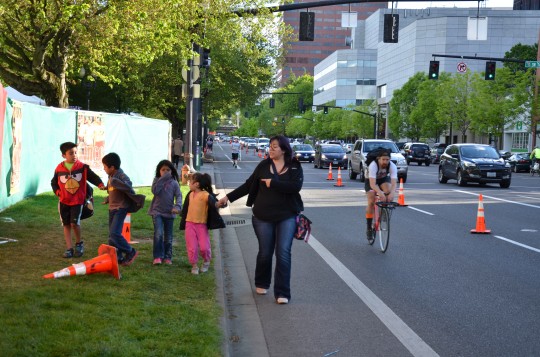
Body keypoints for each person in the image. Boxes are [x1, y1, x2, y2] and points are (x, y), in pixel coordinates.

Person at [216, 135, 304, 304]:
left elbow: (295, 187)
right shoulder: (263, 165)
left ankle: (282, 293)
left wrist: (274, 183)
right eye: (270, 146)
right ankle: (262, 282)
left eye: (274, 147)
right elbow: (249, 186)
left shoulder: (294, 166)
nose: (270, 149)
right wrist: (227, 198)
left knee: (283, 253)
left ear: (284, 149)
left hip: (287, 216)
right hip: (263, 216)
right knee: (265, 252)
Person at [51, 142, 105, 258]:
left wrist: (100, 184)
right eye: (71, 153)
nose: (74, 155)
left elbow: (92, 176)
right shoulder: (59, 168)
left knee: (74, 224)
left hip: (77, 201)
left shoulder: (82, 167)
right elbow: (54, 183)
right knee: (66, 225)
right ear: (63, 155)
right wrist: (58, 192)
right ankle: (69, 248)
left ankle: (79, 243)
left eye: (75, 152)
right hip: (64, 202)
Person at [102, 152, 146, 266]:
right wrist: (108, 198)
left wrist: (117, 182)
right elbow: (114, 191)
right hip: (112, 208)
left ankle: (131, 251)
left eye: (105, 167)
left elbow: (128, 186)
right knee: (112, 237)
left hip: (120, 208)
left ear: (112, 167)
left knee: (115, 233)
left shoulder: (121, 176)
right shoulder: (110, 176)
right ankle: (119, 257)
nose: (104, 169)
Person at [179, 172, 225, 274]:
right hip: (189, 224)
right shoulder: (190, 195)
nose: (189, 184)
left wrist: (219, 204)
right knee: (192, 247)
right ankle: (194, 265)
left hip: (201, 225)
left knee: (204, 247)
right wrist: (178, 211)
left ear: (197, 184)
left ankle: (206, 261)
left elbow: (214, 203)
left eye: (191, 182)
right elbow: (186, 209)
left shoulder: (205, 195)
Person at [148, 160, 182, 265]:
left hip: (169, 213)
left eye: (168, 170)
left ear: (172, 171)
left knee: (168, 236)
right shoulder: (156, 180)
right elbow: (155, 191)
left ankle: (167, 257)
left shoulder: (174, 183)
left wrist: (177, 206)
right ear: (159, 171)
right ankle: (157, 256)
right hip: (157, 212)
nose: (166, 172)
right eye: (163, 170)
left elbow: (179, 196)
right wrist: (162, 179)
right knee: (158, 233)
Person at [365, 148, 397, 243]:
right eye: (383, 159)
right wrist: (379, 192)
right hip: (371, 180)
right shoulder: (373, 165)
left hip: (383, 179)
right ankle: (369, 228)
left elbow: (394, 183)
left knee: (388, 190)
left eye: (387, 160)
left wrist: (391, 193)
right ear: (379, 159)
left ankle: (383, 211)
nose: (385, 162)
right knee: (371, 200)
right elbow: (373, 184)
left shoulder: (392, 166)